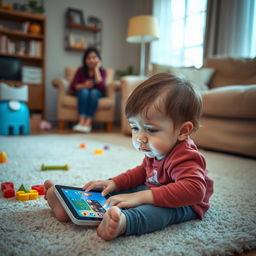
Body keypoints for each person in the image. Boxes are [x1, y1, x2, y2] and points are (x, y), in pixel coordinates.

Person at [44, 73, 214, 241]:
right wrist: (114, 182)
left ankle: (123, 222)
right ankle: (69, 205)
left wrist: (140, 197)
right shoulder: (156, 149)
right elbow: (142, 172)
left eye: (151, 129)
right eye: (135, 127)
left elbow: (195, 190)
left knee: (157, 212)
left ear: (183, 131)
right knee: (114, 191)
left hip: (185, 203)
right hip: (153, 189)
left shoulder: (186, 156)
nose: (140, 138)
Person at [70, 47, 106, 133]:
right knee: (84, 91)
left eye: (94, 57)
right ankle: (81, 122)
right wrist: (83, 85)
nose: (91, 60)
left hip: (96, 94)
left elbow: (101, 86)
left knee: (93, 92)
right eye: (88, 58)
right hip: (83, 93)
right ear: (85, 60)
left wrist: (96, 69)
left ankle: (88, 123)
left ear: (98, 59)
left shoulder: (102, 71)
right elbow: (73, 86)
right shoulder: (80, 70)